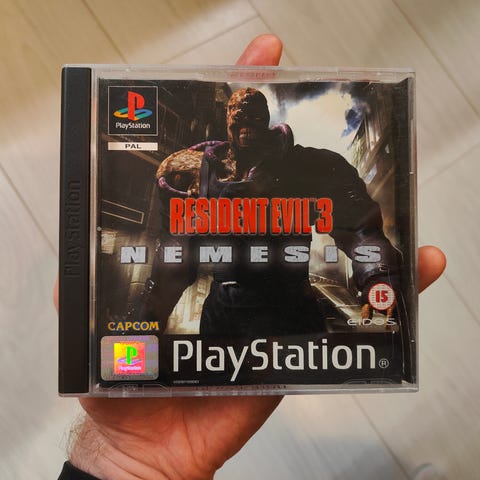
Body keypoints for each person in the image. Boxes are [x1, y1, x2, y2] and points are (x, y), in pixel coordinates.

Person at [55, 35, 446, 480]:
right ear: (227, 122)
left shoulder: (309, 165)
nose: (245, 128)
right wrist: (140, 326)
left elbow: (359, 228)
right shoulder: (193, 171)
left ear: (267, 122)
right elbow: (176, 257)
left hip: (290, 309)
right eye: (237, 120)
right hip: (224, 314)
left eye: (254, 119)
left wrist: (378, 277)